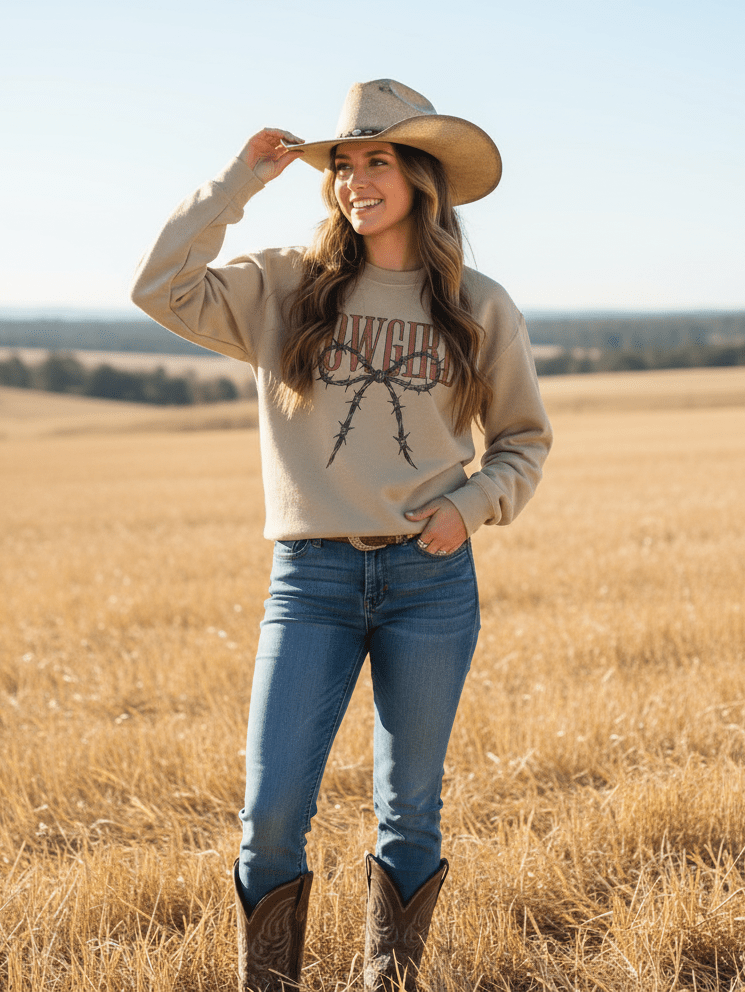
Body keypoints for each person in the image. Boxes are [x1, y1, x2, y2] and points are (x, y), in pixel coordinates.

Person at [131, 78, 552, 992]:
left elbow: (522, 442)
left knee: (410, 815)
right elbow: (158, 285)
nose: (357, 181)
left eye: (378, 161)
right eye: (345, 165)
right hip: (310, 583)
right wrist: (238, 181)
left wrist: (470, 505)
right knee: (272, 813)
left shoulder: (480, 304)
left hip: (430, 582)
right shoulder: (286, 285)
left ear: (421, 178)